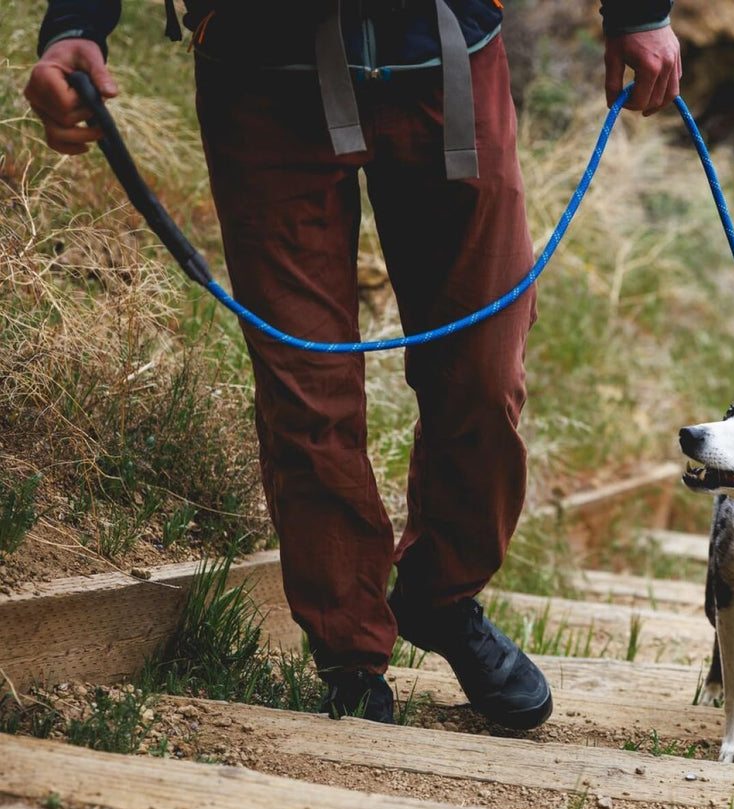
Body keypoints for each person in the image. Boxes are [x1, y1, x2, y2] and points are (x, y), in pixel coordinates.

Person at [25, 1, 681, 728]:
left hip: (448, 52)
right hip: (261, 65)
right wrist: (77, 25)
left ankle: (440, 599)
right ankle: (350, 656)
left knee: (485, 370)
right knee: (308, 392)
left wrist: (638, 11)